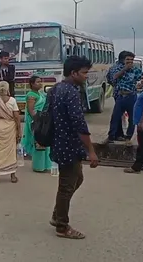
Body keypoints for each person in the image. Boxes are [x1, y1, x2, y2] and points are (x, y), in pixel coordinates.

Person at [49, 56, 99, 239]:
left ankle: (57, 214)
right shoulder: (71, 92)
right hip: (68, 146)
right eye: (84, 73)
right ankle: (61, 225)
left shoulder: (55, 89)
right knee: (66, 186)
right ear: (74, 73)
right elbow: (80, 125)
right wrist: (91, 151)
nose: (87, 76)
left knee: (76, 179)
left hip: (60, 144)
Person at [105, 51, 142, 145]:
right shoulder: (118, 68)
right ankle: (111, 136)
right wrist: (125, 69)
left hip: (132, 96)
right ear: (123, 60)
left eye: (131, 60)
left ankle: (128, 137)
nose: (130, 62)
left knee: (132, 118)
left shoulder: (136, 70)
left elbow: (141, 79)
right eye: (127, 60)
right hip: (121, 96)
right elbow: (113, 78)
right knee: (115, 117)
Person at [0, 81, 21, 184]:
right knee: (11, 152)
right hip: (10, 128)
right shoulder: (12, 100)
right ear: (8, 89)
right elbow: (16, 117)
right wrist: (19, 130)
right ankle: (13, 176)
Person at [21, 75, 52, 172]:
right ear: (32, 84)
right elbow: (31, 111)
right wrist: (40, 121)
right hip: (36, 123)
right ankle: (38, 166)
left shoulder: (39, 93)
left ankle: (46, 165)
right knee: (38, 143)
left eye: (40, 81)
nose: (40, 84)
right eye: (38, 82)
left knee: (45, 143)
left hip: (43, 121)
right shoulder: (31, 95)